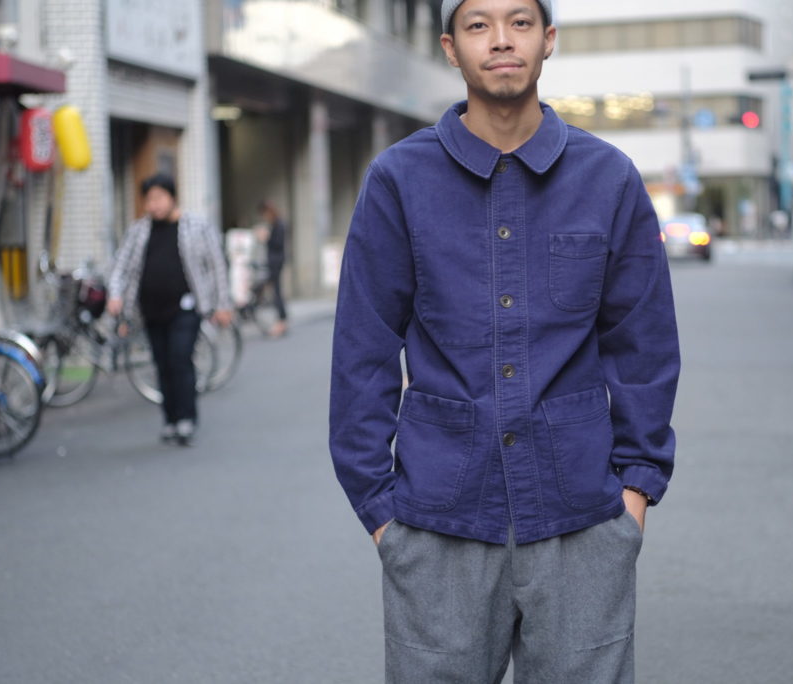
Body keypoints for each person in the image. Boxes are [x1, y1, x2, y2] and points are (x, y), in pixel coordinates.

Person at [329, 0, 680, 681]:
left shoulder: (608, 178)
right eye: (478, 24)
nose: (500, 40)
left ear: (548, 41)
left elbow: (644, 346)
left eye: (520, 22)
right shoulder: (399, 181)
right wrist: (381, 514)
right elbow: (363, 352)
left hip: (582, 518)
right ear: (450, 47)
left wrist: (633, 495)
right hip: (438, 523)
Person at [107, 173, 233, 446]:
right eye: (149, 200)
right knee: (161, 364)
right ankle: (170, 420)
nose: (154, 205)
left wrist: (223, 304)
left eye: (159, 198)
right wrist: (115, 295)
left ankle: (187, 418)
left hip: (186, 307)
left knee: (180, 358)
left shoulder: (196, 227)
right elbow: (121, 266)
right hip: (150, 310)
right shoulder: (138, 231)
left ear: (172, 196)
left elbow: (217, 266)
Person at [255, 200, 289, 338]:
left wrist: (266, 238)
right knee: (275, 291)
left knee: (276, 292)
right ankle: (281, 321)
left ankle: (281, 321)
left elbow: (277, 243)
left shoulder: (278, 224)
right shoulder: (276, 224)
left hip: (275, 262)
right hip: (275, 261)